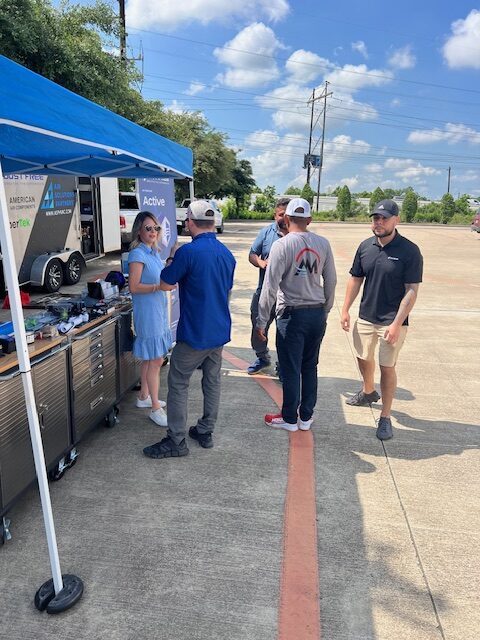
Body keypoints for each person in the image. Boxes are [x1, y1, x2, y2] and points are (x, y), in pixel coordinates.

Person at [143, 200, 236, 459]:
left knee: (178, 383)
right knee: (212, 381)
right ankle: (205, 430)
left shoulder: (188, 252)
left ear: (190, 223)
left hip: (195, 332)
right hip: (219, 331)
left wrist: (172, 256)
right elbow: (226, 289)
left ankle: (176, 440)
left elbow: (165, 283)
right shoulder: (226, 254)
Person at [340, 199, 423, 441]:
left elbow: (411, 290)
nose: (379, 222)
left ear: (396, 220)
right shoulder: (365, 246)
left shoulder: (409, 251)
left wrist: (397, 323)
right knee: (362, 357)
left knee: (387, 367)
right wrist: (345, 309)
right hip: (366, 315)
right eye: (376, 217)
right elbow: (356, 279)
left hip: (391, 321)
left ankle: (385, 418)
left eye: (384, 218)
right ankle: (368, 391)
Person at [256, 197, 337, 432]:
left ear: (288, 219)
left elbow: (270, 287)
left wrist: (261, 321)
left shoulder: (282, 245)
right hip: (316, 314)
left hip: (291, 315)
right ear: (309, 220)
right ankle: (306, 417)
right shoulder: (323, 243)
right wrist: (326, 309)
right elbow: (330, 280)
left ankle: (289, 417)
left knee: (291, 368)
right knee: (310, 366)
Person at [128, 211, 176, 427]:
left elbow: (160, 276)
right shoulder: (137, 254)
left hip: (157, 309)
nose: (153, 232)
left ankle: (144, 397)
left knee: (151, 358)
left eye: (156, 228)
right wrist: (159, 287)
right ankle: (156, 407)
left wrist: (172, 258)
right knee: (156, 359)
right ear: (139, 230)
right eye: (148, 228)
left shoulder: (153, 252)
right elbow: (134, 287)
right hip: (147, 312)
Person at [247, 197, 290, 375]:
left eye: (288, 214)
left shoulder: (299, 236)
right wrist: (261, 263)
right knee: (258, 326)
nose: (284, 218)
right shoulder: (266, 233)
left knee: (285, 333)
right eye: (281, 214)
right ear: (275, 215)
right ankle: (263, 357)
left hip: (288, 297)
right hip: (264, 292)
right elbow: (252, 254)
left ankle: (284, 364)